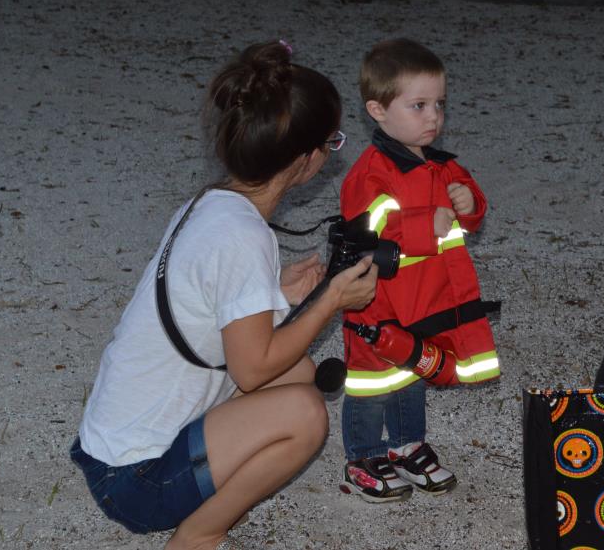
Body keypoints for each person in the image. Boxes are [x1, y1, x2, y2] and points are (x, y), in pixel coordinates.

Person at [70, 40, 378, 550]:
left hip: (110, 448)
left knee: (300, 372)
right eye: (333, 142)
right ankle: (199, 534)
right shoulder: (244, 237)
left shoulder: (213, 204)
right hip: (135, 481)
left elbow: (202, 302)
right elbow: (251, 370)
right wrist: (330, 302)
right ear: (305, 159)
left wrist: (275, 291)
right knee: (305, 413)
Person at [336, 38, 500, 502]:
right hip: (377, 302)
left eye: (439, 105)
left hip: (426, 300)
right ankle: (364, 458)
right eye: (419, 105)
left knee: (414, 372)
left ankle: (406, 445)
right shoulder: (370, 173)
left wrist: (471, 204)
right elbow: (364, 230)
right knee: (372, 382)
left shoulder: (442, 168)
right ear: (378, 109)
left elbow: (467, 206)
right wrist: (421, 225)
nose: (433, 117)